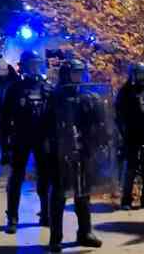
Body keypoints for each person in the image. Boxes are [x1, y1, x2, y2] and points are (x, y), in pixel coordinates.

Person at [46, 59, 104, 252]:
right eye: (74, 73)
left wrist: (100, 140)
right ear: (66, 74)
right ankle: (56, 237)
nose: (78, 77)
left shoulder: (87, 96)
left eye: (80, 73)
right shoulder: (55, 96)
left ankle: (85, 232)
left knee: (83, 193)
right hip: (61, 152)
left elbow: (97, 124)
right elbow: (45, 125)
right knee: (59, 195)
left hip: (83, 151)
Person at [1, 50, 52, 233]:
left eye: (37, 64)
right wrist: (5, 146)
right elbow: (4, 119)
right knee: (16, 178)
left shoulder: (47, 88)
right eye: (31, 64)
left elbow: (55, 116)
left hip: (42, 138)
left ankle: (46, 213)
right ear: (23, 67)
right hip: (20, 138)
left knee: (45, 177)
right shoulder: (14, 89)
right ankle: (12, 218)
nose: (34, 68)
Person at [115, 62, 144, 210]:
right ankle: (126, 199)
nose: (142, 77)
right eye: (139, 74)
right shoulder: (125, 91)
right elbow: (118, 114)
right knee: (131, 167)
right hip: (131, 134)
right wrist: (122, 132)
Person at [0, 59, 19, 165]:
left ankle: (13, 155)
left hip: (13, 110)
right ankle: (5, 155)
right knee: (4, 134)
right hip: (1, 109)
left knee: (14, 134)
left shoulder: (14, 78)